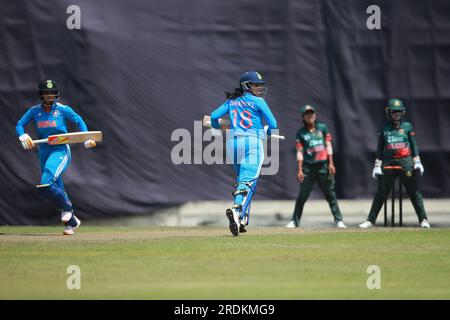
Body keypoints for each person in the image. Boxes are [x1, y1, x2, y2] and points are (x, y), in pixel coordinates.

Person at [15, 80, 97, 235]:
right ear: (41, 95)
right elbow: (19, 124)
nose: (49, 95)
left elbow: (78, 120)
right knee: (54, 187)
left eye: (52, 93)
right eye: (46, 93)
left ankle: (67, 208)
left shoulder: (62, 109)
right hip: (43, 150)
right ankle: (72, 223)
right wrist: (23, 136)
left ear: (56, 94)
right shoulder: (34, 111)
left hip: (60, 149)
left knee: (46, 182)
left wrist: (86, 138)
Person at [210, 71, 278, 236]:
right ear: (247, 85)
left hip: (233, 144)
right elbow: (273, 124)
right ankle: (236, 210)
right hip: (252, 143)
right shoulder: (258, 101)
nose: (259, 89)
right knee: (248, 182)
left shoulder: (231, 101)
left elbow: (213, 117)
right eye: (256, 85)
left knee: (244, 181)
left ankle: (241, 218)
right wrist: (268, 133)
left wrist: (219, 127)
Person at [359, 99, 430, 228]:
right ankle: (370, 220)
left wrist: (417, 161)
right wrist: (376, 165)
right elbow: (380, 148)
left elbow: (414, 145)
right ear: (389, 112)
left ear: (403, 112)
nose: (396, 114)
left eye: (399, 112)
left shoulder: (408, 127)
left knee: (414, 192)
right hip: (388, 164)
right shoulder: (384, 128)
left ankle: (423, 220)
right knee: (381, 193)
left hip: (406, 163)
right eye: (394, 112)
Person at [286, 105, 346, 229]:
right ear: (303, 117)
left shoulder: (322, 128)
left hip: (323, 166)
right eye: (307, 114)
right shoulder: (301, 133)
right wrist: (299, 169)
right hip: (308, 168)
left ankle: (339, 220)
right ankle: (294, 221)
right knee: (302, 196)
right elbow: (299, 151)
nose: (310, 116)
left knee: (331, 195)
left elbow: (328, 145)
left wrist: (331, 163)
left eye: (312, 113)